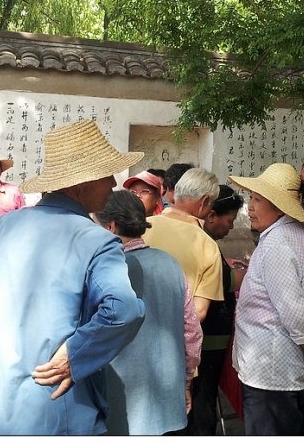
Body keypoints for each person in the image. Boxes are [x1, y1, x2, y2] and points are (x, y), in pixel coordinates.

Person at [0, 119, 146, 435]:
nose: (113, 183)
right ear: (81, 184)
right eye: (106, 175)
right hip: (63, 411)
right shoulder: (97, 240)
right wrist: (77, 353)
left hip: (1, 413)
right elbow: (124, 310)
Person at [230, 163, 304, 436]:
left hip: (272, 374)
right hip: (287, 370)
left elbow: (295, 313)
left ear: (279, 207)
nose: (250, 207)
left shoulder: (277, 244)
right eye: (251, 198)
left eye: (258, 200)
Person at [94, 191, 202, 435]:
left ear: (110, 226)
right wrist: (186, 381)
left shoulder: (109, 270)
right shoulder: (170, 263)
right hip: (168, 399)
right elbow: (192, 332)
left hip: (121, 403)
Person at [187, 185, 246, 435]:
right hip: (207, 339)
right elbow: (224, 280)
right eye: (229, 220)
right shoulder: (204, 243)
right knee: (203, 401)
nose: (230, 227)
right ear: (211, 216)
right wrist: (250, 273)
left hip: (207, 338)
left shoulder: (201, 239)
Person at [142, 167, 224, 321]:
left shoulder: (142, 226)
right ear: (205, 201)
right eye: (211, 204)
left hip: (131, 329)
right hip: (174, 331)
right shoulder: (208, 245)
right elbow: (199, 311)